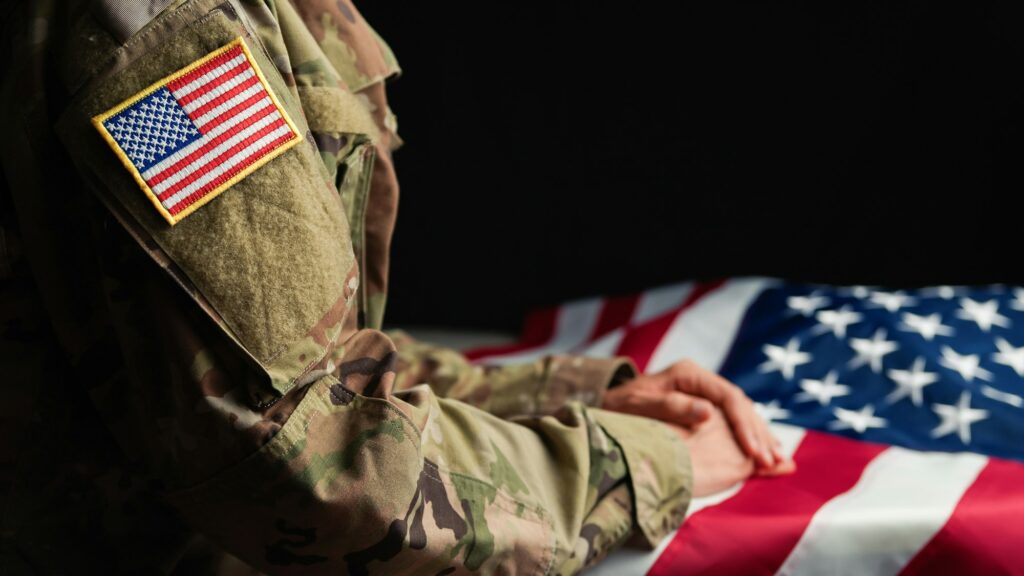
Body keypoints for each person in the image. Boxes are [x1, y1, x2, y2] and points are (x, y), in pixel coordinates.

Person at [0, 1, 793, 573]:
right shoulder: (168, 33)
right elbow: (319, 465)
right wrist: (634, 465)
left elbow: (292, 359)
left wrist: (555, 394)